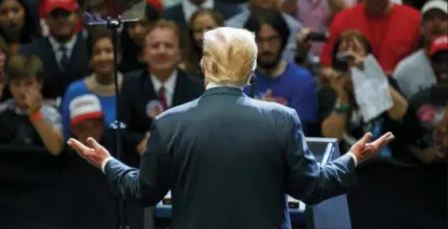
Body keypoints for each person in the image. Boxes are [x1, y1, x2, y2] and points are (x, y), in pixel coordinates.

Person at [68, 27, 394, 229]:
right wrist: (350, 158)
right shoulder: (282, 119)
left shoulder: (169, 123)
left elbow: (144, 191)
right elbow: (312, 189)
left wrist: (107, 163)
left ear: (204, 65)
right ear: (251, 71)